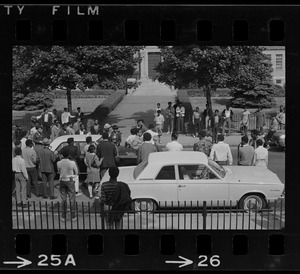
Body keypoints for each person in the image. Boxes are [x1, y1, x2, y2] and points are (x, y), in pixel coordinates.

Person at [57, 150, 78, 222]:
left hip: (62, 180)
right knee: (72, 199)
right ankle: (73, 216)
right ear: (69, 155)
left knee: (63, 199)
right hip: (70, 179)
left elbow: (59, 171)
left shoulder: (59, 163)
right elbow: (76, 171)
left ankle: (63, 216)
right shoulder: (72, 163)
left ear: (62, 155)